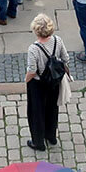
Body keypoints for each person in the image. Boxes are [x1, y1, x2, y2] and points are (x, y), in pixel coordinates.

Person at [24, 13, 70, 151]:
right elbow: (66, 59)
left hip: (38, 84)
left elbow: (32, 70)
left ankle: (38, 142)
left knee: (36, 112)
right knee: (52, 108)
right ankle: (51, 136)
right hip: (54, 82)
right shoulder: (58, 40)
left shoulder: (34, 49)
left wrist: (26, 81)